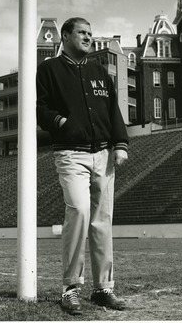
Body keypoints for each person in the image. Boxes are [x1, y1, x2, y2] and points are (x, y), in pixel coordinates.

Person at [36, 17, 129, 315]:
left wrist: (120, 144)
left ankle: (103, 288)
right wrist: (61, 123)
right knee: (78, 210)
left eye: (91, 33)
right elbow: (41, 107)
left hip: (102, 153)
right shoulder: (49, 69)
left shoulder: (99, 71)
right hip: (70, 154)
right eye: (82, 33)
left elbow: (113, 109)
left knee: (102, 221)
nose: (89, 37)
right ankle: (70, 288)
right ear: (66, 36)